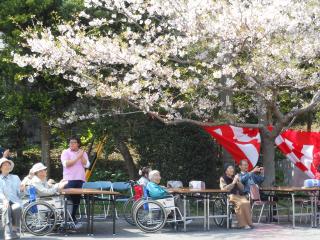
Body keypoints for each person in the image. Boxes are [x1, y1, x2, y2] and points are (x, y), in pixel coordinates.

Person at [61, 136, 90, 227]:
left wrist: (81, 156)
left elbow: (87, 165)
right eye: (70, 142)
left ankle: (73, 217)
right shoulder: (65, 152)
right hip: (69, 179)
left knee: (77, 200)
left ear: (78, 143)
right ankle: (66, 219)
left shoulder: (82, 153)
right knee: (68, 199)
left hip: (80, 179)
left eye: (74, 142)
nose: (71, 144)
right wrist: (78, 156)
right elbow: (66, 164)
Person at [220, 163, 253, 229]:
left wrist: (238, 182)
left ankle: (249, 223)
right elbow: (224, 189)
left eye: (232, 168)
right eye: (230, 168)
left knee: (246, 203)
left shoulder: (235, 177)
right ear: (226, 171)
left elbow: (242, 188)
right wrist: (233, 183)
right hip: (231, 196)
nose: (232, 170)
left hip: (239, 195)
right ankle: (243, 224)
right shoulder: (222, 178)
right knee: (241, 204)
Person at [0, 158, 23, 240]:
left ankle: (14, 229)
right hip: (2, 202)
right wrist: (4, 199)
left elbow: (20, 194)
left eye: (8, 165)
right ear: (1, 168)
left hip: (14, 201)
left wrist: (22, 189)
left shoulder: (15, 177)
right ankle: (7, 231)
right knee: (6, 208)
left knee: (17, 207)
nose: (7, 166)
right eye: (4, 165)